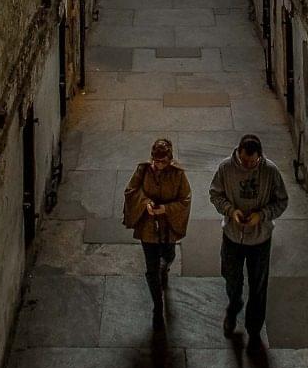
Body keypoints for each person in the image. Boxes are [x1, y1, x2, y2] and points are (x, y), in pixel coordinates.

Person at [208, 133, 289, 349]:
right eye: (244, 161)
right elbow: (215, 194)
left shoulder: (270, 171)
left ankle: (254, 329)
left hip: (260, 239)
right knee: (231, 277)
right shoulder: (226, 168)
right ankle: (234, 305)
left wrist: (261, 216)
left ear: (259, 157)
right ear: (238, 153)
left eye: (252, 162)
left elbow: (281, 201)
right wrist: (231, 211)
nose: (248, 165)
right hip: (233, 236)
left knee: (258, 286)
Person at [123, 138, 192, 326]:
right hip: (149, 227)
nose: (159, 165)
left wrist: (166, 209)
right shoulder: (143, 170)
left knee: (169, 255)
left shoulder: (178, 174)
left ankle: (165, 268)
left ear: (169, 159)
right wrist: (146, 203)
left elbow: (185, 198)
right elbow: (131, 190)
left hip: (168, 226)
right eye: (156, 161)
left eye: (163, 161)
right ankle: (158, 305)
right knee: (151, 268)